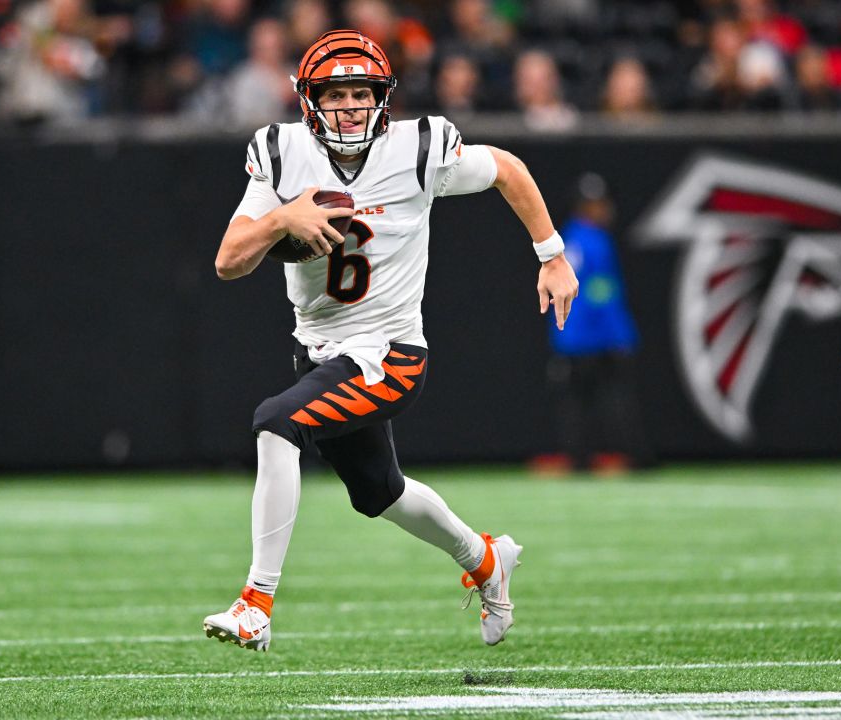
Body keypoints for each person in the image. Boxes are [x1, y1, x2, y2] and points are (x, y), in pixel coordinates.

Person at [205, 29, 579, 651]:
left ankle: (256, 603)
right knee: (381, 492)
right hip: (321, 351)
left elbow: (507, 170)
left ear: (383, 97)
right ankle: (486, 560)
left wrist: (552, 254)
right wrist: (281, 218)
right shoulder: (280, 152)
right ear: (308, 100)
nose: (349, 106)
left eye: (361, 92)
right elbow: (227, 262)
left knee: (276, 423)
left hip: (390, 355)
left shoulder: (419, 149)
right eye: (335, 93)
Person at [543, 173, 652, 475]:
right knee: (607, 400)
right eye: (595, 204)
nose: (603, 209)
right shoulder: (591, 240)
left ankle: (582, 459)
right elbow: (600, 294)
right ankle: (629, 457)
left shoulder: (569, 236)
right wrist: (619, 333)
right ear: (582, 207)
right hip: (593, 337)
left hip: (575, 337)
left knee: (582, 403)